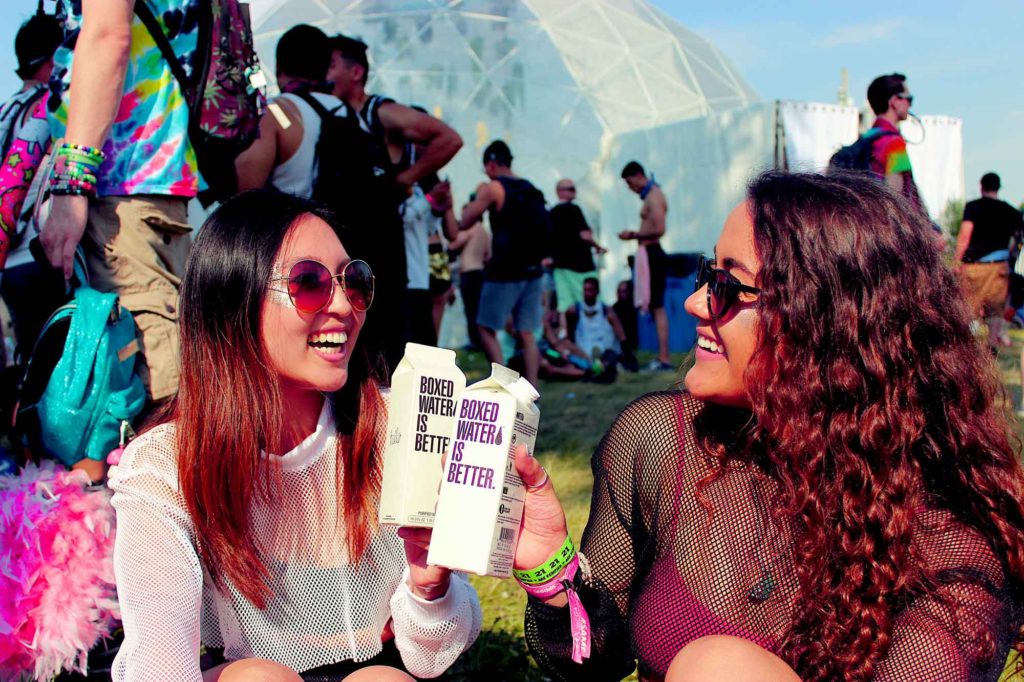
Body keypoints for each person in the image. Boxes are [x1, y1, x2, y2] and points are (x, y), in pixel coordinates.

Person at [511, 171, 1024, 681]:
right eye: (706, 275)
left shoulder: (953, 543)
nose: (695, 303)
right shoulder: (664, 438)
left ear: (827, 320)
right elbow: (597, 661)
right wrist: (552, 576)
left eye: (728, 286)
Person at [107, 191, 482, 681]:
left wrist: (430, 588)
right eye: (310, 283)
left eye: (356, 281)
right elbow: (160, 665)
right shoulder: (166, 464)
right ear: (232, 299)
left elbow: (432, 656)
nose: (346, 306)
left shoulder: (397, 425)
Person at [40, 0, 197, 435]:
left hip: (121, 180)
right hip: (146, 177)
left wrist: (72, 184)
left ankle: (170, 500)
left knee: (155, 385)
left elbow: (108, 35)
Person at [327, 34, 462, 373]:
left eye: (331, 66)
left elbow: (448, 138)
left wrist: (404, 179)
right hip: (351, 252)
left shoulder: (379, 111)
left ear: (355, 72)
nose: (324, 75)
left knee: (390, 355)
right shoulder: (332, 115)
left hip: (386, 260)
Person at [0, 10, 64, 360]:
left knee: (29, 363)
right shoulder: (54, 107)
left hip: (9, 265)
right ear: (55, 58)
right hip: (44, 255)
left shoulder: (5, 110)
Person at [458, 140, 548, 389]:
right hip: (534, 270)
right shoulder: (531, 188)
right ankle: (532, 389)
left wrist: (478, 194)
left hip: (505, 271)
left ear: (491, 164)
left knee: (485, 327)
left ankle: (503, 384)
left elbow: (465, 221)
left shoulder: (494, 188)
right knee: (527, 333)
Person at [234, 24, 342, 197]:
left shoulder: (275, 112)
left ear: (278, 67)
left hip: (294, 222)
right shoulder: (348, 111)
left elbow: (244, 194)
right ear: (326, 67)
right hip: (347, 222)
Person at [955, 172, 1024, 354]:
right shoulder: (1011, 211)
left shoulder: (973, 207)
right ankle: (991, 348)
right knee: (995, 311)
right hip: (999, 267)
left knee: (968, 308)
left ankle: (965, 350)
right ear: (999, 187)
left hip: (974, 267)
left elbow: (965, 235)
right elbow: (1017, 241)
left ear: (981, 186)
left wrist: (956, 262)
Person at [619, 161, 671, 371]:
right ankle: (662, 356)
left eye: (631, 183)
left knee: (658, 306)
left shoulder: (654, 195)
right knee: (654, 305)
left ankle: (665, 358)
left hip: (653, 253)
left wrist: (633, 235)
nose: (631, 189)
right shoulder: (650, 195)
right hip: (647, 253)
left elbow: (659, 228)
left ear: (639, 175)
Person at [864, 73, 925, 213]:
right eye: (908, 98)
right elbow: (895, 196)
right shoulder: (895, 145)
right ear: (895, 101)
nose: (910, 104)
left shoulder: (866, 139)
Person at [548, 179, 606, 324]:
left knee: (564, 303)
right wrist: (597, 246)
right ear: (560, 191)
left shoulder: (551, 213)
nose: (574, 192)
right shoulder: (574, 210)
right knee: (590, 301)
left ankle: (564, 334)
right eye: (570, 189)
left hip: (560, 266)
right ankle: (593, 333)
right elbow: (585, 235)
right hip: (581, 265)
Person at [452, 196, 490, 352]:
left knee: (470, 309)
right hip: (480, 272)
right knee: (477, 309)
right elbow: (488, 254)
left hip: (469, 273)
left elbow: (453, 243)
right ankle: (479, 340)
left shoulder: (470, 228)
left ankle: (475, 341)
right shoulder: (484, 231)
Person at [566, 277, 626, 374]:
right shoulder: (575, 310)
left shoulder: (606, 310)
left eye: (590, 290)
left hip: (603, 350)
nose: (587, 293)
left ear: (597, 291)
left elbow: (620, 333)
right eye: (585, 290)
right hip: (582, 352)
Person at [611, 279, 640, 372]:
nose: (621, 294)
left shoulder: (635, 310)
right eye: (619, 292)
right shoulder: (614, 309)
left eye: (624, 291)